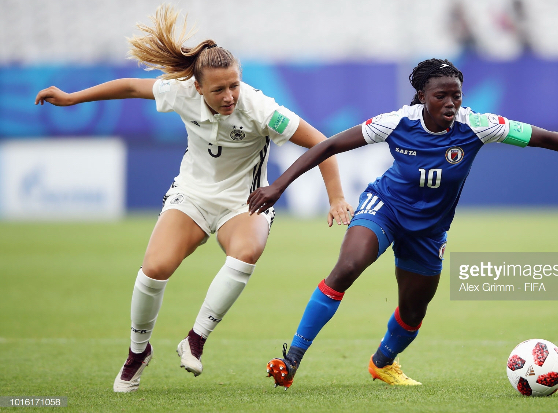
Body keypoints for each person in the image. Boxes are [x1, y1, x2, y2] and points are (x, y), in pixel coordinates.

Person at [247, 58, 558, 388]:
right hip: (384, 208)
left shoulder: (477, 127)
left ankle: (382, 362)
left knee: (413, 310)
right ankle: (291, 360)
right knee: (348, 267)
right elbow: (331, 143)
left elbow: (546, 137)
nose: (450, 104)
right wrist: (278, 185)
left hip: (429, 232)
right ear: (422, 96)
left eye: (456, 96)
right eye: (441, 96)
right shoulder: (397, 122)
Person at [34, 4, 353, 393]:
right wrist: (71, 99)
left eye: (234, 84)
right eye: (218, 89)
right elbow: (132, 87)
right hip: (192, 196)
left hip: (243, 202)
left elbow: (323, 144)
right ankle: (137, 353)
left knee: (246, 253)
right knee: (153, 271)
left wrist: (336, 197)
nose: (229, 95)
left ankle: (196, 338)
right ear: (198, 87)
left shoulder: (261, 108)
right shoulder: (180, 92)